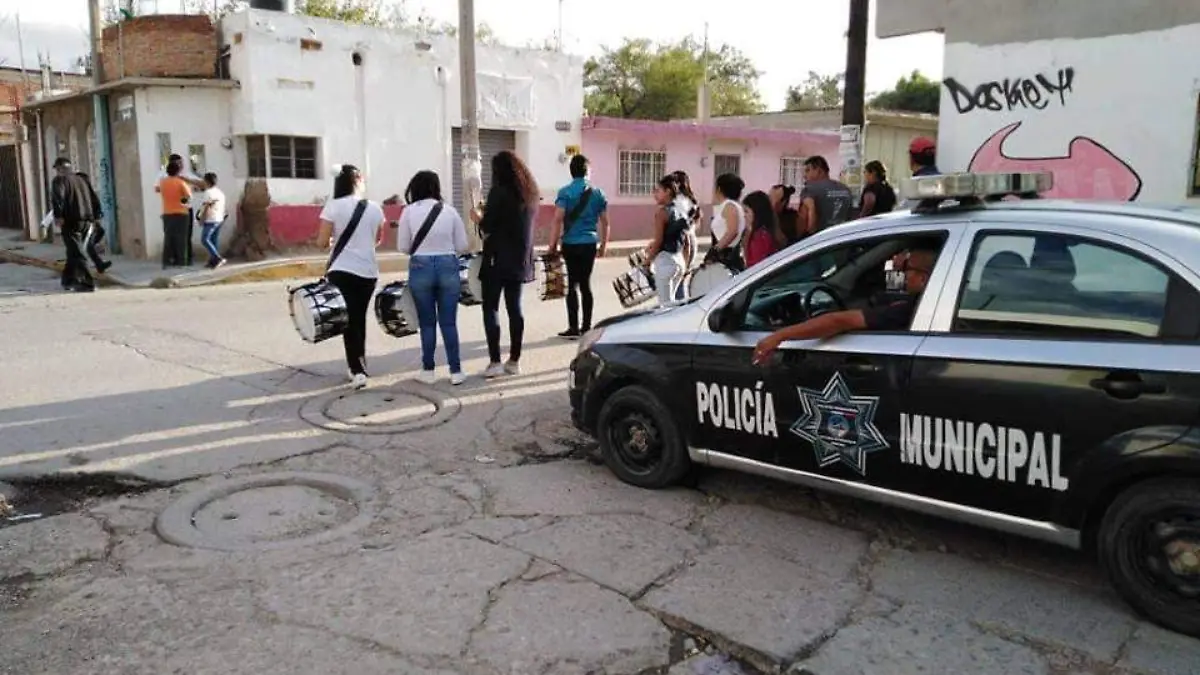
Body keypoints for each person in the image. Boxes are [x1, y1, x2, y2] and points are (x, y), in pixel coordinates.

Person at [751, 246, 940, 365]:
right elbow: (887, 286)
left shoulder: (907, 310)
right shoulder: (923, 302)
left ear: (923, 278)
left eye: (907, 270)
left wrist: (779, 335)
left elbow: (838, 321)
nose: (902, 275)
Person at [397, 170, 470, 385]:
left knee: (427, 323)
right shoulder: (449, 211)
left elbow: (402, 246)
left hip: (420, 265)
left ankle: (428, 370)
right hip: (448, 264)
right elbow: (462, 246)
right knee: (449, 322)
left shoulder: (409, 212)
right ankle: (456, 371)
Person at [316, 164, 386, 389]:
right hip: (368, 271)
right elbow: (378, 240)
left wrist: (331, 242)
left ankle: (357, 369)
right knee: (358, 318)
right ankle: (359, 363)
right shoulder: (375, 208)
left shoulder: (333, 206)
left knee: (349, 320)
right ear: (358, 181)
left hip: (342, 270)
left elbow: (321, 242)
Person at [475, 150, 538, 378]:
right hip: (520, 259)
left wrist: (478, 218)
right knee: (515, 308)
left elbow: (488, 226)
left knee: (491, 307)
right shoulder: (530, 193)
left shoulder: (498, 192)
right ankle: (514, 360)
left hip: (496, 259)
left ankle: (494, 362)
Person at [548, 154, 610, 339]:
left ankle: (573, 327)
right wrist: (604, 245)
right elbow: (605, 222)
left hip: (570, 244)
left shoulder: (565, 192)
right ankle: (586, 327)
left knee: (572, 285)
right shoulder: (598, 193)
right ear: (587, 171)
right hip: (589, 243)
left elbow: (557, 220)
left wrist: (552, 245)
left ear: (571, 171)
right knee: (586, 284)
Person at [49, 158, 98, 292]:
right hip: (86, 221)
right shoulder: (82, 179)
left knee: (77, 252)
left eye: (57, 169)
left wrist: (58, 216)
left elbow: (58, 199)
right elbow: (94, 198)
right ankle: (68, 280)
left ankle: (87, 283)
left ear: (60, 168)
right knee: (72, 250)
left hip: (71, 221)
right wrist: (96, 215)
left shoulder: (59, 181)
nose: (57, 172)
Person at [643, 174, 691, 305]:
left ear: (668, 191)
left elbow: (659, 241)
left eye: (658, 191)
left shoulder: (662, 213)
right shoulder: (681, 210)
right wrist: (685, 264)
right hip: (679, 261)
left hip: (666, 262)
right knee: (673, 304)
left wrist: (647, 262)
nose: (654, 194)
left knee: (665, 307)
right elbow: (685, 240)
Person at [798, 155, 853, 236]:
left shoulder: (809, 190)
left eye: (808, 170)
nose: (804, 176)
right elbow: (849, 218)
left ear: (819, 171)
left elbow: (803, 221)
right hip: (841, 239)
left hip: (820, 242)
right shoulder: (846, 190)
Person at [705, 172, 747, 272]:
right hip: (726, 254)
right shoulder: (730, 206)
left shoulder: (730, 206)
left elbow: (732, 231)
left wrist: (715, 251)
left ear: (719, 189)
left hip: (727, 257)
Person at [72, 171, 112, 274]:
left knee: (96, 236)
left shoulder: (86, 191)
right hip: (83, 222)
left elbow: (95, 203)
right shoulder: (76, 193)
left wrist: (96, 217)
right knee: (88, 244)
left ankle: (96, 262)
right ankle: (98, 265)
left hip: (90, 221)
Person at [158, 157, 193, 269]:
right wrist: (182, 201)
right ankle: (181, 262)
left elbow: (159, 191)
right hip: (181, 213)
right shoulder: (181, 182)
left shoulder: (162, 183)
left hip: (167, 213)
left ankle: (166, 261)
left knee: (168, 238)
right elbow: (188, 197)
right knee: (181, 239)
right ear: (178, 171)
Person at [671, 170, 701, 271]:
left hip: (683, 245)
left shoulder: (678, 201)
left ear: (678, 184)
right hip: (691, 241)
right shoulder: (690, 199)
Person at [742, 190, 781, 268]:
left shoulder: (761, 236)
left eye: (746, 211)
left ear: (757, 211)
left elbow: (756, 266)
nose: (744, 215)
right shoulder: (756, 232)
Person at [196, 172, 228, 268]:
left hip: (211, 219)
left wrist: (202, 219)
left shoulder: (208, 193)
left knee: (204, 239)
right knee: (213, 241)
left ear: (206, 181)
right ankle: (212, 261)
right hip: (219, 219)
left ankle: (218, 258)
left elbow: (207, 207)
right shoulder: (220, 193)